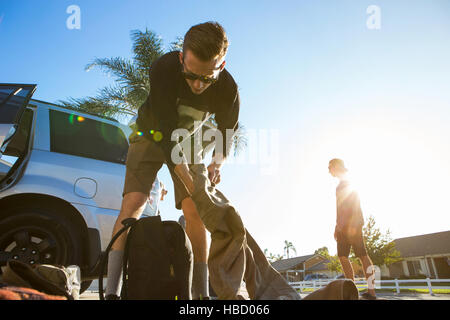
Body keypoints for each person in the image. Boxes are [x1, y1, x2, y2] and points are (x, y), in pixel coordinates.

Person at [105, 21, 240, 300]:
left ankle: (199, 295)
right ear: (181, 58)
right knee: (134, 202)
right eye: (191, 76)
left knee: (195, 210)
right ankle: (112, 292)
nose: (198, 85)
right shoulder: (164, 69)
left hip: (188, 138)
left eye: (208, 78)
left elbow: (226, 134)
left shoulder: (229, 91)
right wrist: (190, 181)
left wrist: (217, 164)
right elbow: (166, 137)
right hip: (152, 132)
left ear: (222, 65)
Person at [328, 158, 377, 300]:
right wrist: (337, 225)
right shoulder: (342, 184)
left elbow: (347, 205)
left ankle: (371, 292)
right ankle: (353, 292)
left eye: (330, 167)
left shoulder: (346, 183)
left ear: (336, 166)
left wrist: (342, 225)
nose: (328, 170)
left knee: (362, 254)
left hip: (352, 223)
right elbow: (340, 208)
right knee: (343, 256)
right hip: (346, 224)